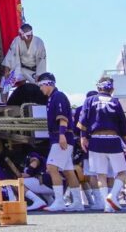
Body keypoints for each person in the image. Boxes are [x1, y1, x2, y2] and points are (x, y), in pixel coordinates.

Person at [77, 76, 126, 212]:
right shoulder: (115, 102)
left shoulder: (89, 101)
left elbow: (83, 120)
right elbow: (122, 123)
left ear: (98, 87)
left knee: (100, 174)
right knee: (122, 172)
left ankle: (107, 205)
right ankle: (112, 196)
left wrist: (83, 137)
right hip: (112, 139)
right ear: (111, 88)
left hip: (95, 140)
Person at [36, 73, 84, 212]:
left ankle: (59, 201)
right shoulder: (51, 98)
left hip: (61, 137)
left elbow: (63, 118)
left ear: (47, 83)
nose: (40, 89)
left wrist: (62, 135)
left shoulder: (59, 96)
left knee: (51, 167)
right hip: (60, 137)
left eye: (40, 85)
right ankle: (77, 203)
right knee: (68, 171)